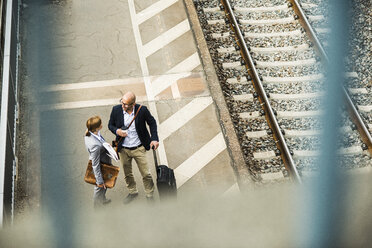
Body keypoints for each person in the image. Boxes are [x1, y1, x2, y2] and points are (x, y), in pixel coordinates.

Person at [108, 91, 159, 204]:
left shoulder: (142, 110)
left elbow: (152, 123)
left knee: (146, 174)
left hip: (139, 148)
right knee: (127, 174)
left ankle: (149, 194)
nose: (123, 106)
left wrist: (154, 138)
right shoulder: (116, 110)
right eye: (122, 102)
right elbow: (110, 125)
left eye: (125, 104)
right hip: (123, 149)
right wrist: (117, 131)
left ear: (133, 103)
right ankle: (132, 192)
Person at [84, 116, 112, 208]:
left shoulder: (90, 132)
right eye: (100, 124)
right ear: (96, 127)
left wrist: (105, 145)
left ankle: (103, 199)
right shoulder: (95, 146)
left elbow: (100, 140)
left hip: (103, 161)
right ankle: (97, 207)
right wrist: (99, 181)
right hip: (101, 165)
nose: (102, 125)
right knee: (99, 188)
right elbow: (95, 165)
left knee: (106, 183)